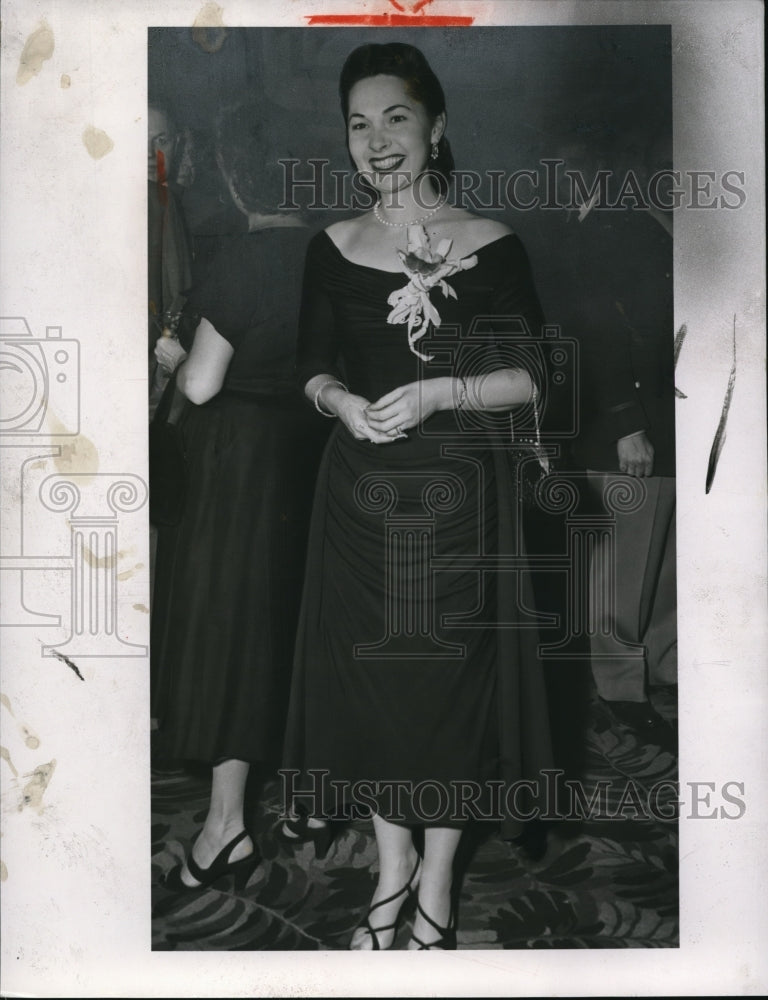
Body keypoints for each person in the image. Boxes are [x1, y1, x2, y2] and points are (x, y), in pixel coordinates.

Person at [282, 42, 555, 950]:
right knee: (374, 689)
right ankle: (391, 863)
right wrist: (341, 402)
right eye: (358, 124)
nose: (376, 140)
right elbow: (310, 368)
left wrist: (440, 391)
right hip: (359, 497)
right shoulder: (332, 247)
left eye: (395, 117)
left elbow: (527, 378)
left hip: (462, 500)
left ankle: (437, 873)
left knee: (446, 689)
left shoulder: (494, 245)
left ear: (437, 127)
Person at [151, 99, 329, 891]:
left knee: (233, 635)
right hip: (317, 457)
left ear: (232, 173)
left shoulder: (242, 261)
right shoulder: (340, 254)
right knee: (299, 626)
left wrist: (170, 354)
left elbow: (202, 379)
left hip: (240, 467)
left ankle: (226, 829)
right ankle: (311, 801)